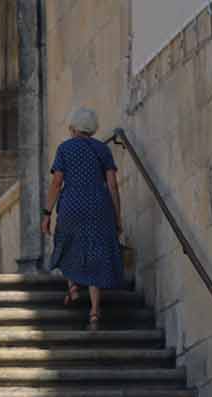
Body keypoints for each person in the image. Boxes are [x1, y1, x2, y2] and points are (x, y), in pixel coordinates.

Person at [41, 106, 124, 331]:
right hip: (99, 205)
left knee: (68, 243)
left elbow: (57, 183)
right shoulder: (102, 150)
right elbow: (113, 186)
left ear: (73, 127)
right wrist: (118, 217)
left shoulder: (65, 149)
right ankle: (95, 313)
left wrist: (47, 213)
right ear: (92, 128)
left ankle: (74, 288)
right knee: (97, 253)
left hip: (72, 204)